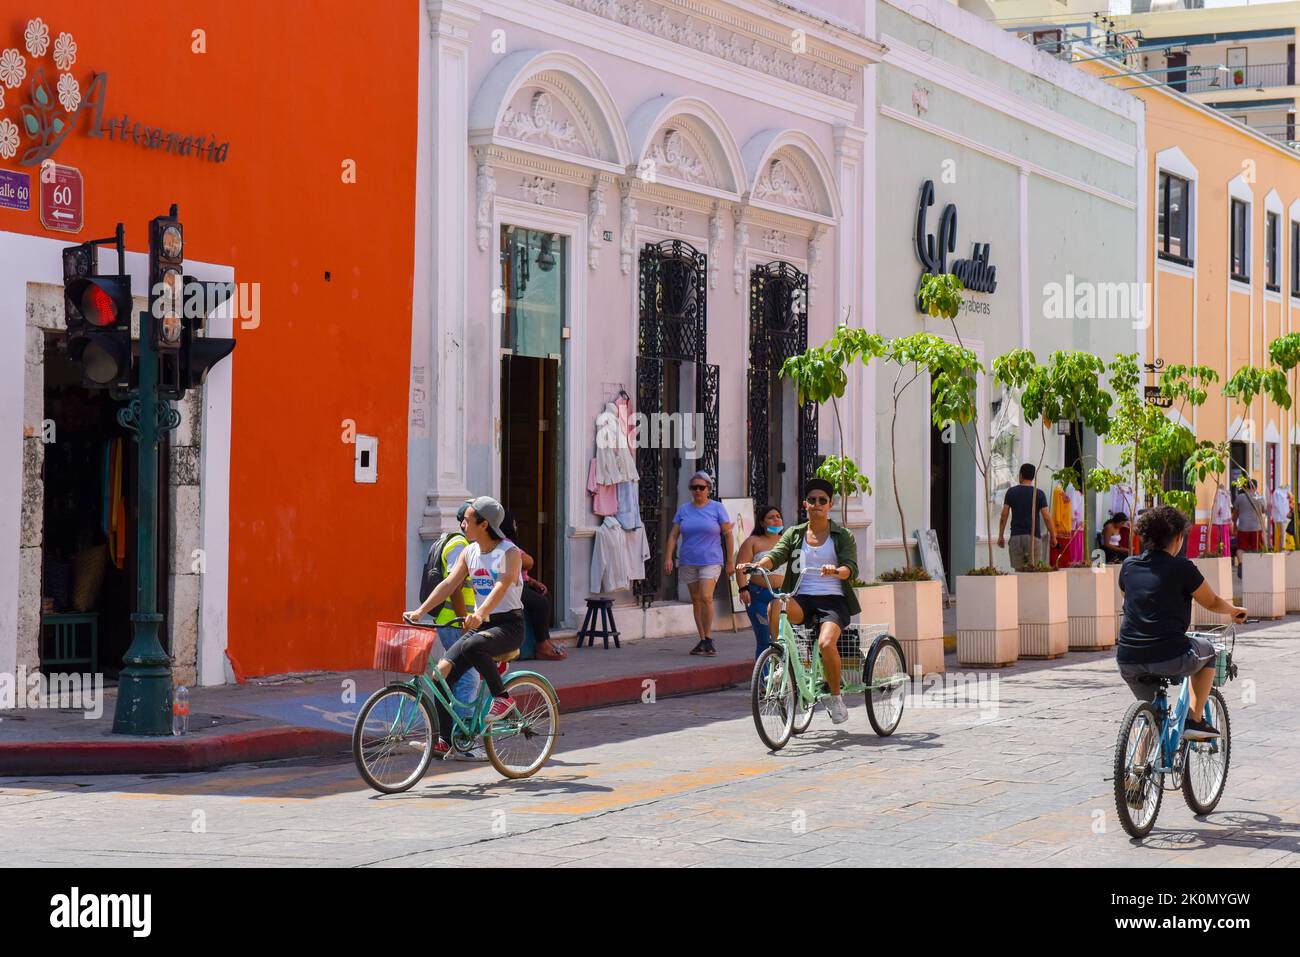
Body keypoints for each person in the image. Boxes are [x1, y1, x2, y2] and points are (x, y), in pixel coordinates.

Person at [405, 496, 525, 758]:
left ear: (484, 524)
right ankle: (444, 741)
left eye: (468, 520)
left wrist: (480, 612)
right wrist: (420, 611)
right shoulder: (470, 551)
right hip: (482, 626)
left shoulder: (508, 552)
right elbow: (449, 584)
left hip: (509, 625)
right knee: (440, 677)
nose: (462, 525)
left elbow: (501, 585)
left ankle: (502, 697)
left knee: (473, 644)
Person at [1116, 505, 1247, 740]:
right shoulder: (1182, 567)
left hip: (1128, 658)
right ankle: (1195, 720)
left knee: (1151, 715)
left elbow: (1129, 597)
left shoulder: (1129, 566)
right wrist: (1234, 611)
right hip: (1170, 656)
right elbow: (1212, 601)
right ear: (1178, 537)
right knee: (1209, 651)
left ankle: (1135, 773)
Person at [739, 479, 860, 725]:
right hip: (802, 598)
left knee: (826, 644)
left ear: (830, 504)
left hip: (833, 601)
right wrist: (756, 565)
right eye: (812, 500)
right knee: (777, 605)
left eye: (822, 501)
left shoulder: (842, 535)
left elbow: (851, 568)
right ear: (805, 504)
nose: (817, 504)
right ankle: (781, 658)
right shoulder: (795, 534)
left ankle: (835, 698)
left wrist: (836, 570)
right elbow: (775, 556)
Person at [418, 502, 484, 759]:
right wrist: (464, 620)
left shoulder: (451, 541)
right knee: (468, 677)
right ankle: (462, 740)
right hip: (455, 622)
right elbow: (454, 586)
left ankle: (444, 738)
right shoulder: (460, 545)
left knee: (449, 676)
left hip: (451, 621)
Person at [664, 470, 734, 656]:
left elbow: (728, 534)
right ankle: (702, 639)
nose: (698, 491)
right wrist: (668, 557)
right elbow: (673, 534)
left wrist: (730, 561)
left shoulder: (717, 508)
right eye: (694, 488)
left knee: (706, 597)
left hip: (711, 560)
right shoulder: (684, 510)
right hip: (688, 560)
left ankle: (709, 637)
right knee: (696, 600)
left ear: (708, 489)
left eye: (701, 487)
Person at [498, 511, 567, 661]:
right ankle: (541, 646)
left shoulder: (510, 544)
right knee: (540, 603)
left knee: (544, 595)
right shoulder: (505, 544)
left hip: (521, 583)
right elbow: (528, 562)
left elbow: (523, 571)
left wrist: (534, 582)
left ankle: (545, 640)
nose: (516, 526)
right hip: (511, 586)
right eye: (514, 523)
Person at [735, 505, 785, 659]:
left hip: (783, 597)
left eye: (778, 516)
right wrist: (743, 588)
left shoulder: (787, 541)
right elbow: (740, 567)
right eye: (771, 517)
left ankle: (783, 677)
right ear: (762, 523)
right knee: (765, 639)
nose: (776, 519)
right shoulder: (753, 541)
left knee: (783, 639)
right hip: (759, 596)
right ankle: (763, 680)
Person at [997, 463, 1055, 570]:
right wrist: (1053, 536)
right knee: (1034, 571)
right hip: (1034, 537)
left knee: (1019, 572)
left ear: (1021, 475)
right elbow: (1047, 517)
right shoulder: (1039, 494)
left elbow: (1004, 515)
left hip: (1016, 537)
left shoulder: (1011, 492)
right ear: (1033, 477)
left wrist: (1000, 536)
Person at [1233, 479, 1265, 553]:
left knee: (1241, 548)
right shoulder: (1260, 498)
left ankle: (1241, 563)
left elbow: (1235, 514)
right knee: (1256, 548)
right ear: (1256, 487)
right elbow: (1263, 511)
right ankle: (1254, 563)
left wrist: (1234, 525)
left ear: (1246, 487)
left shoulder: (1240, 497)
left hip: (1243, 527)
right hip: (1256, 528)